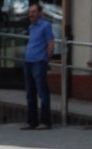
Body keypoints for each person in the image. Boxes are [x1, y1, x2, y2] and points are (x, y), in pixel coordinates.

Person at [21, 3, 54, 131]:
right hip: (28, 62)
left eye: (34, 12)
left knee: (42, 93)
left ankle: (45, 122)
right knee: (30, 93)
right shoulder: (31, 27)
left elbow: (50, 44)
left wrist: (46, 60)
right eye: (30, 12)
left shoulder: (46, 26)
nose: (31, 14)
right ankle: (32, 122)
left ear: (40, 13)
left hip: (39, 62)